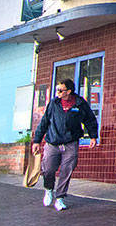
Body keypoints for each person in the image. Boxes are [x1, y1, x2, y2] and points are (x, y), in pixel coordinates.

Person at [31, 78, 98, 212]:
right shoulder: (54, 104)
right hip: (53, 142)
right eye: (57, 90)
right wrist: (37, 141)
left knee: (66, 171)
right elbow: (44, 122)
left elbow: (90, 119)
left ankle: (60, 198)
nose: (58, 92)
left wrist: (93, 136)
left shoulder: (79, 104)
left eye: (61, 90)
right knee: (48, 169)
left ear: (69, 91)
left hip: (70, 143)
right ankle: (49, 189)